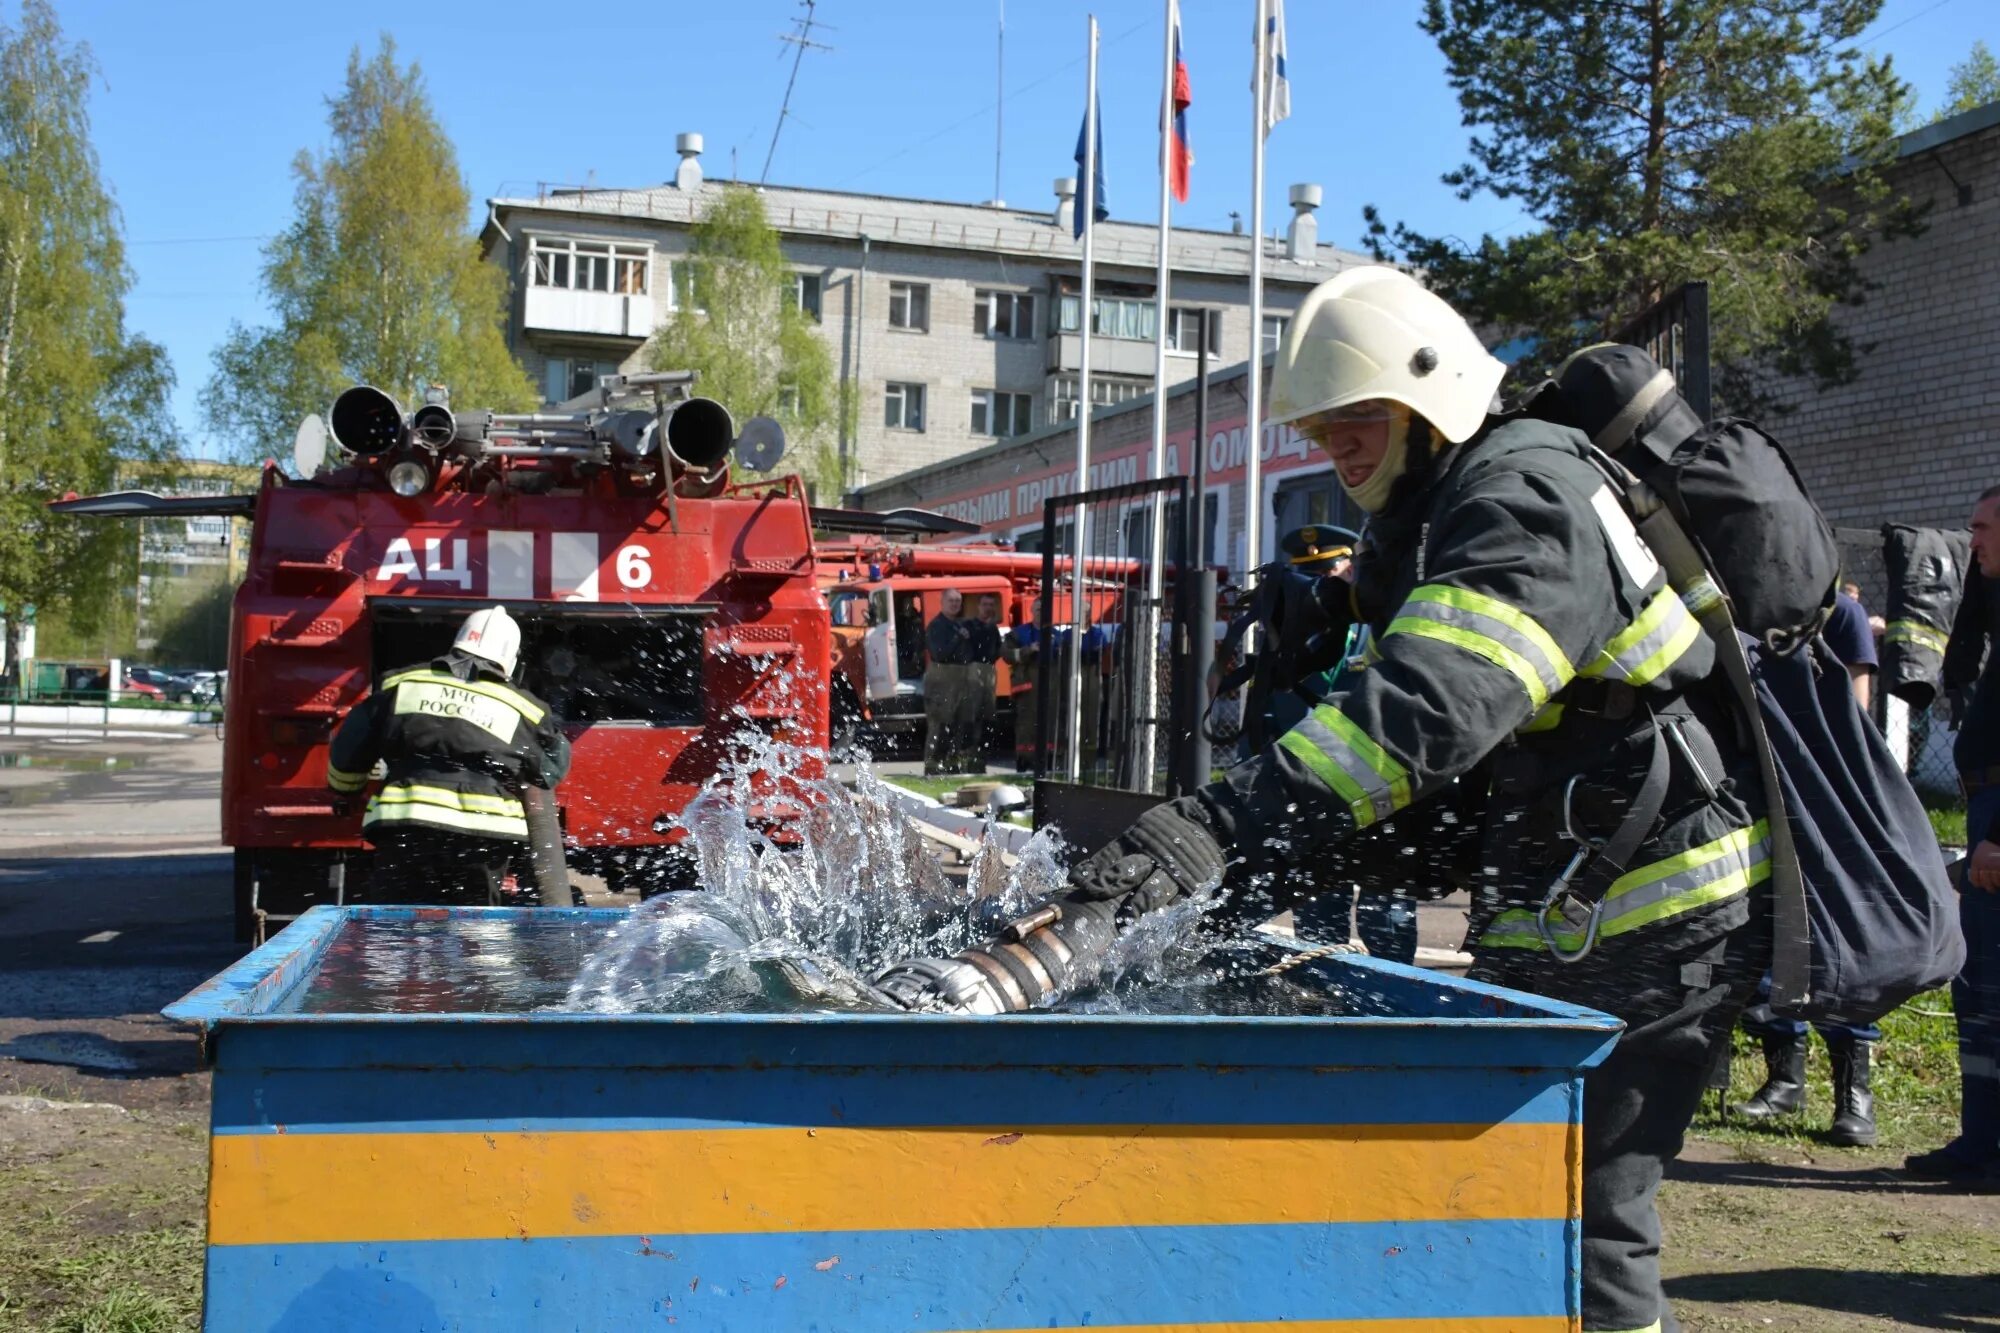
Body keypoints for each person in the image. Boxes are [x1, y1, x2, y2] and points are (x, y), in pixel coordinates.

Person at [876, 267, 1771, 1333]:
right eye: (1321, 430)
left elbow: (1426, 712)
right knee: (1524, 1193)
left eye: (1356, 425)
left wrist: (1213, 831)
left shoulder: (1521, 494)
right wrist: (1244, 869)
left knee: (1586, 1212)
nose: (1334, 454)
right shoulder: (1449, 509)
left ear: (1431, 400)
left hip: (1654, 910)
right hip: (1571, 898)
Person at [1730, 583, 1884, 1144]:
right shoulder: (1749, 609)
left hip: (1826, 800)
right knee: (1772, 939)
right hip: (1760, 793)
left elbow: (1856, 717)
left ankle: (1854, 1099)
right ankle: (1784, 1082)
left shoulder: (1842, 616)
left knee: (1844, 945)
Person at [326, 606, 570, 905]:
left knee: (396, 925)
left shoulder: (400, 684)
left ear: (458, 641)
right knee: (475, 933)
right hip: (485, 833)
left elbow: (350, 746)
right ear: (511, 660)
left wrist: (344, 790)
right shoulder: (527, 709)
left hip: (406, 825)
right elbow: (550, 771)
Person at [1261, 525, 1420, 965]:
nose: (1319, 586)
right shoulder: (1291, 635)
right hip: (1314, 794)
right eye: (1309, 577)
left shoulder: (1383, 623)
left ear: (1351, 569)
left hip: (1382, 791)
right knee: (1315, 911)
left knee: (1384, 912)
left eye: (1329, 573)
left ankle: (1395, 1014)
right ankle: (1320, 1003)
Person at [1908, 484, 2000, 1182]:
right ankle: (1980, 1141)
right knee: (1977, 984)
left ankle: (1986, 1147)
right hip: (1984, 810)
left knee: (1990, 983)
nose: (1973, 543)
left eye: (1983, 529)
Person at [923, 589, 972, 776]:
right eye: (951, 600)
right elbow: (939, 654)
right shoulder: (936, 626)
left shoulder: (958, 625)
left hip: (961, 678)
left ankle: (953, 766)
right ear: (942, 602)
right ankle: (932, 767)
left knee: (959, 725)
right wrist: (959, 637)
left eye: (958, 601)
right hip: (941, 680)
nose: (955, 604)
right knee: (939, 726)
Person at [965, 593, 1004, 775]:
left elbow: (997, 650)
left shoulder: (992, 628)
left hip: (989, 671)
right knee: (972, 716)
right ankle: (969, 758)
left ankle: (981, 759)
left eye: (991, 605)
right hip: (973, 670)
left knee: (987, 715)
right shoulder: (970, 626)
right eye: (985, 604)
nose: (988, 608)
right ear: (978, 606)